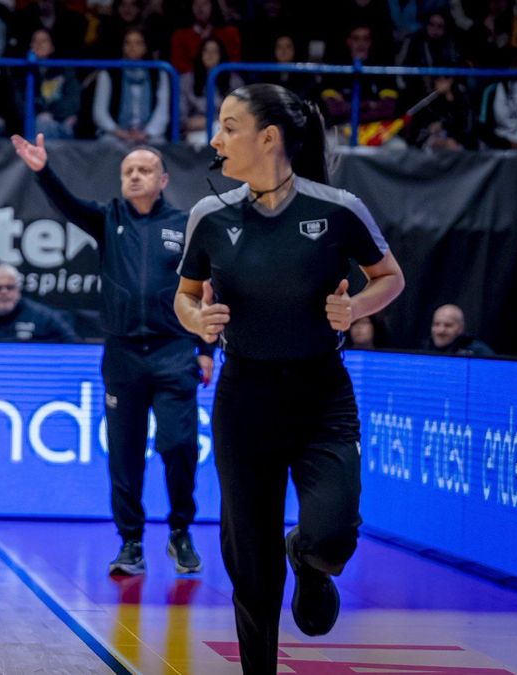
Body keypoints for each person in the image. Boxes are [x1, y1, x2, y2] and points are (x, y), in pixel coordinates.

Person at [174, 83, 405, 673]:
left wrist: (355, 309)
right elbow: (184, 296)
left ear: (268, 137)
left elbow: (390, 279)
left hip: (321, 396)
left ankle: (306, 557)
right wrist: (199, 319)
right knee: (249, 562)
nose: (216, 139)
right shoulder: (209, 215)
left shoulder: (337, 207)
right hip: (244, 399)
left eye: (228, 126)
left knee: (332, 536)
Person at [11, 133, 214, 577]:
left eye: (144, 170)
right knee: (124, 452)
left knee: (179, 444)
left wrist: (205, 348)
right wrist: (42, 170)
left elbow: (204, 290)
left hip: (174, 350)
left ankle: (180, 532)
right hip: (123, 355)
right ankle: (131, 543)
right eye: (128, 172)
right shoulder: (109, 220)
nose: (135, 177)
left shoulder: (185, 224)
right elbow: (67, 205)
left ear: (163, 179)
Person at [423, 304, 493, 356]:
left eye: (448, 325)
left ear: (460, 328)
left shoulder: (478, 352)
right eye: (436, 324)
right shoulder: (424, 349)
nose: (441, 331)